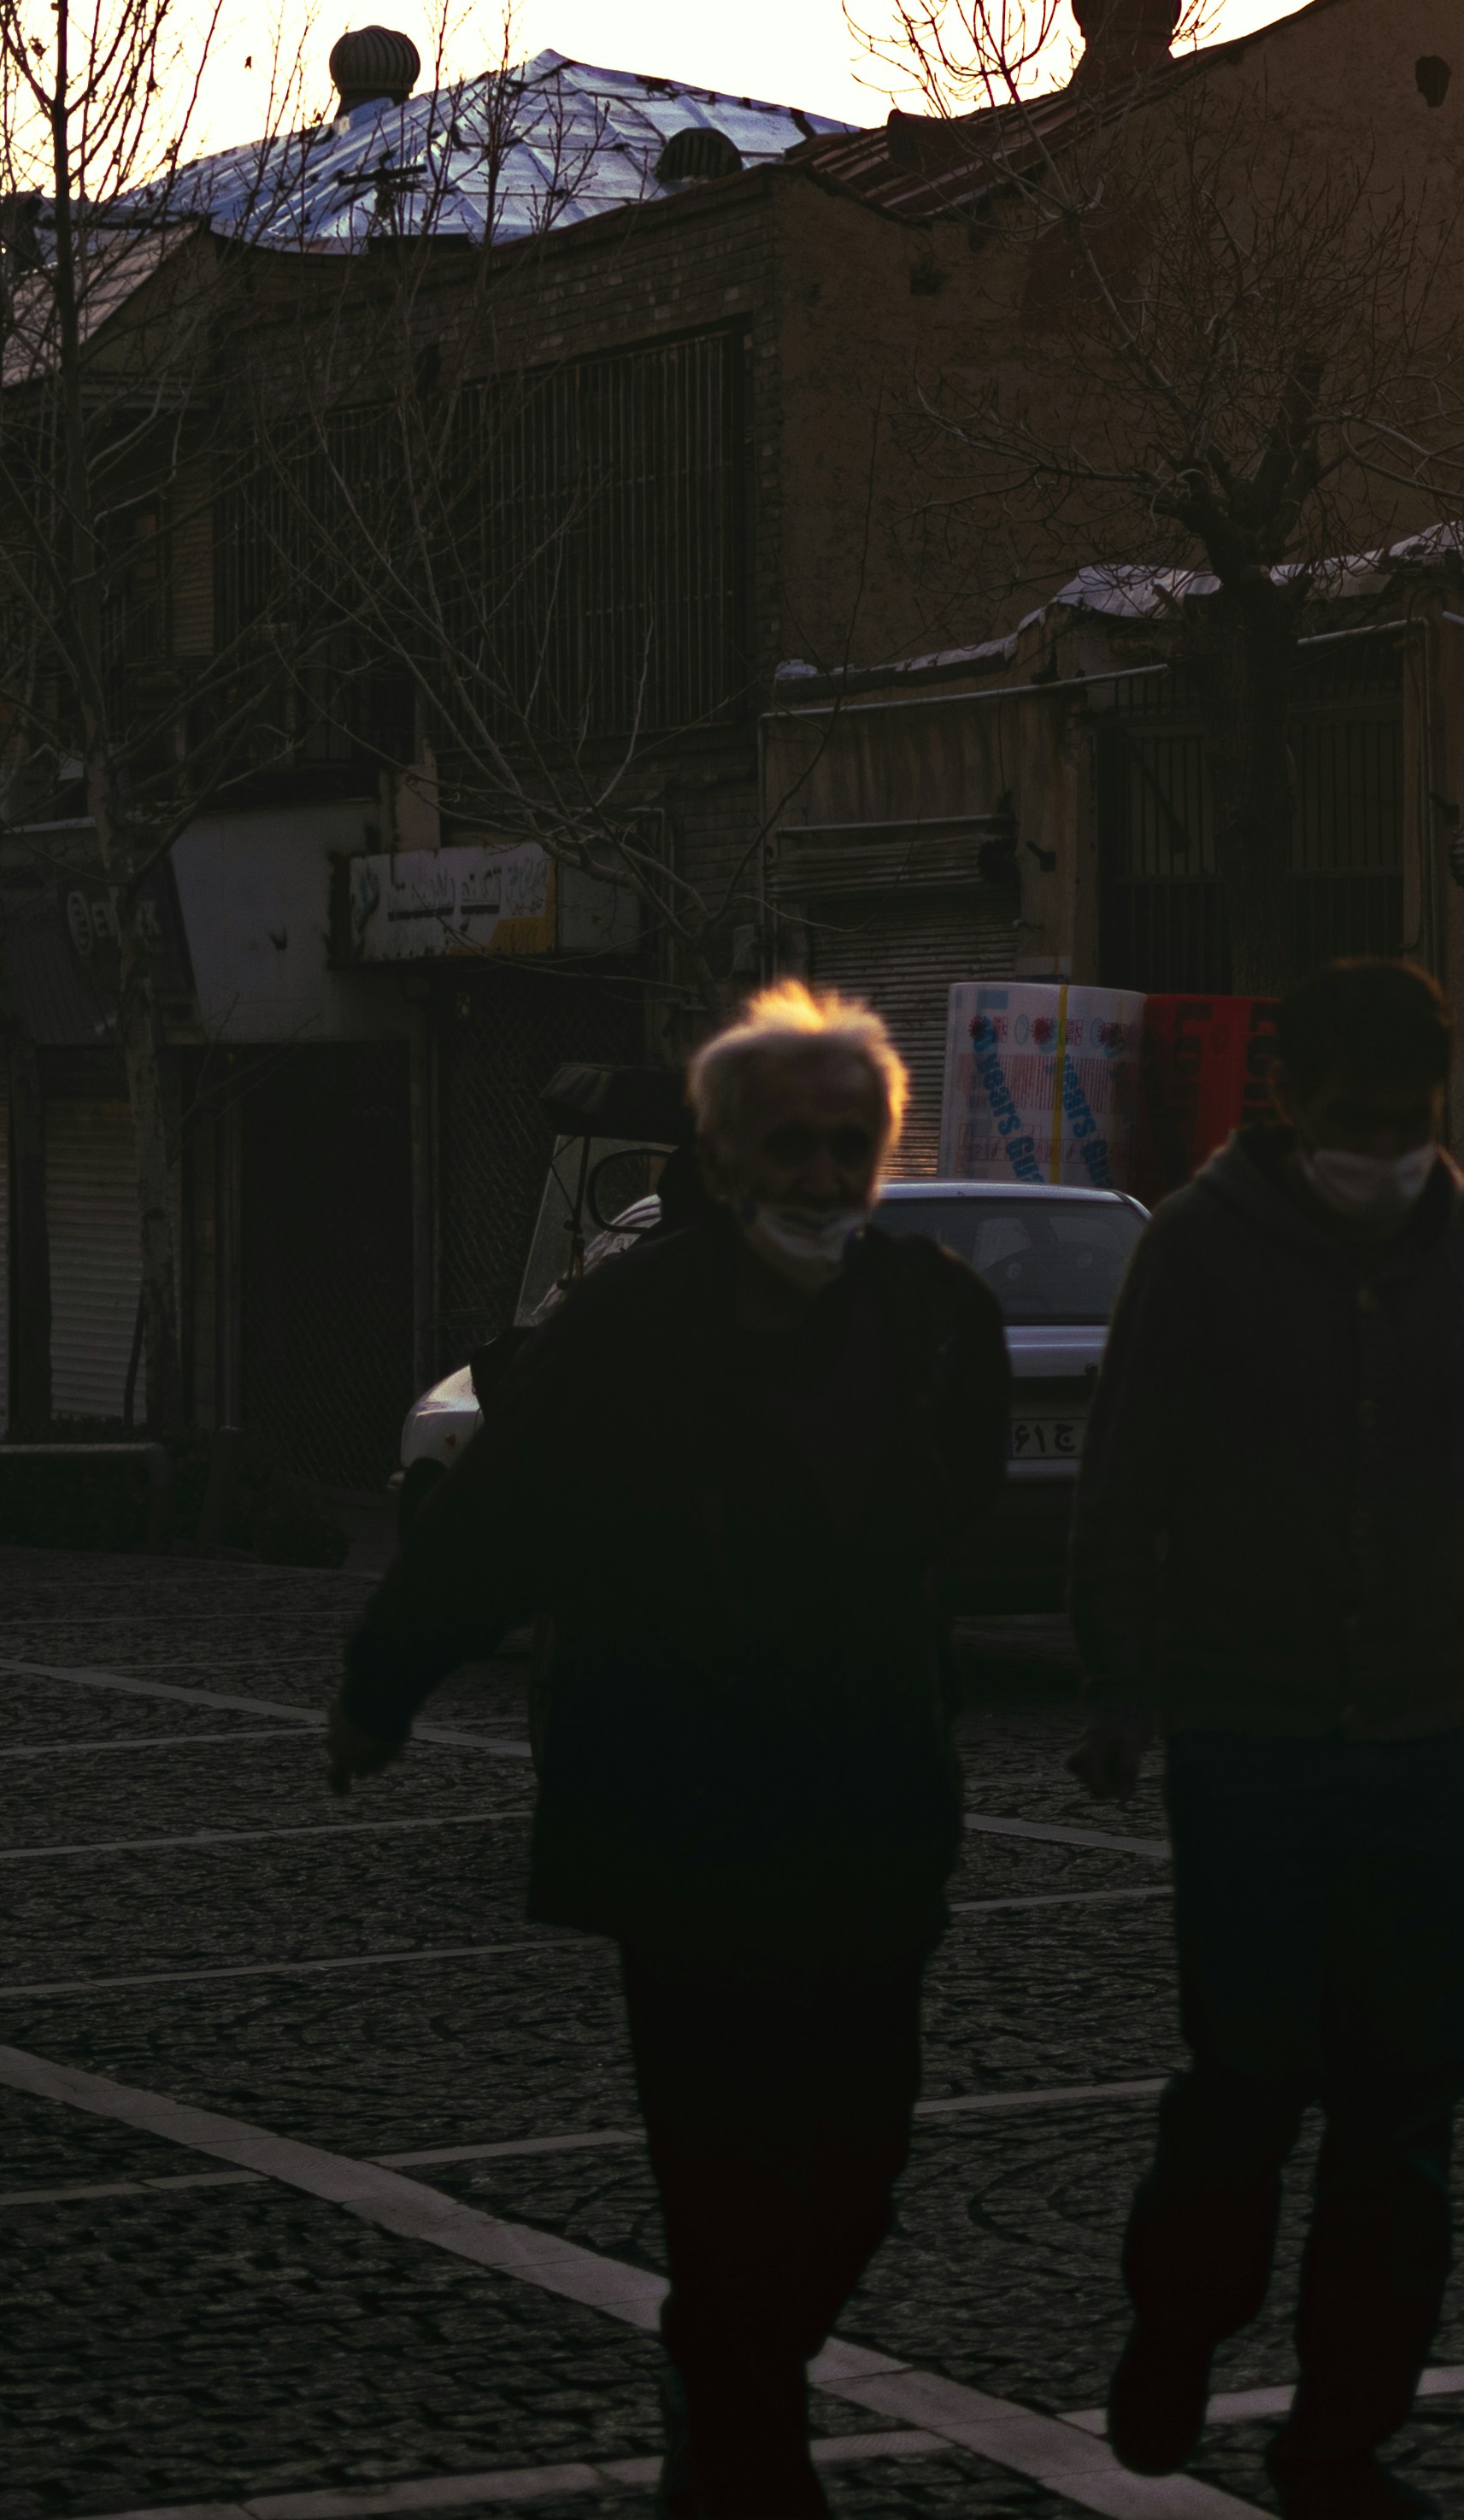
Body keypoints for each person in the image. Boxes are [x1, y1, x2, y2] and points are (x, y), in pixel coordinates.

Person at [327, 985, 1008, 2520]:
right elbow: (498, 1520)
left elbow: (947, 1506)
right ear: (719, 1159)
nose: (822, 1177)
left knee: (857, 2165)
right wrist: (383, 1686)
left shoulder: (932, 1319)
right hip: (683, 1810)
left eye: (851, 1147)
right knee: (722, 2173)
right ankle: (746, 2451)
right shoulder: (625, 1330)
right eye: (790, 1146)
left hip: (870, 1808)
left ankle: (726, 2372)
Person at [1073, 956, 1464, 2520]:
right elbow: (1125, 1479)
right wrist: (1119, 1698)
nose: (1381, 1147)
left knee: (1404, 2119)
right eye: (1355, 1119)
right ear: (1290, 1102)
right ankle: (1181, 2328)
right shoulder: (1202, 1250)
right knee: (1245, 2085)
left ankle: (1338, 2439)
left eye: (1407, 1119)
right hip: (1254, 1738)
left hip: (1430, 1738)